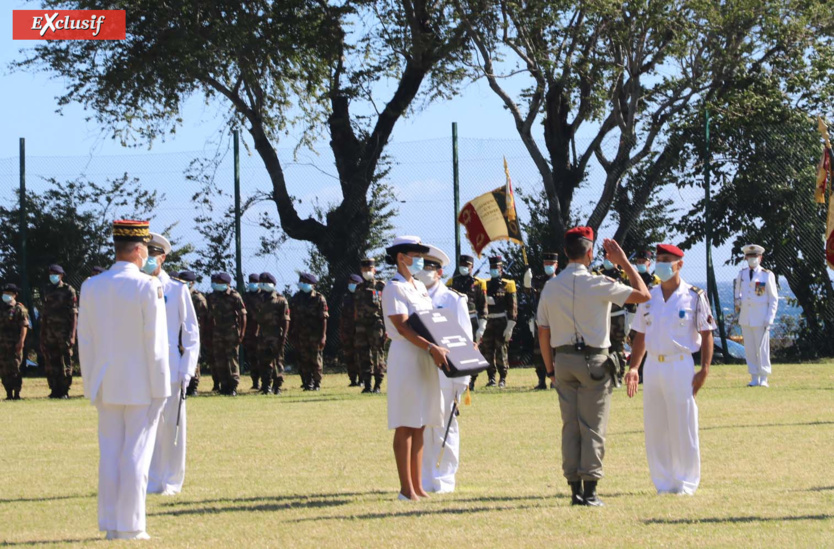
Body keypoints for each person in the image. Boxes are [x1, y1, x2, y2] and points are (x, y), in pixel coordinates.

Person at [536, 228, 650, 506]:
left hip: (562, 361)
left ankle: (574, 488)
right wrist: (622, 261)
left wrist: (550, 370)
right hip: (595, 360)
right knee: (593, 426)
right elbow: (643, 295)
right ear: (590, 253)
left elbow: (543, 331)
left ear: (565, 253)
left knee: (570, 426)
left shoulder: (551, 286)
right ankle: (590, 490)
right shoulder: (600, 283)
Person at [77, 220, 170, 541]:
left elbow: (84, 341)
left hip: (106, 382)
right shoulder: (148, 286)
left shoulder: (91, 285)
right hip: (142, 382)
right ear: (141, 250)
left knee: (111, 453)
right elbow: (155, 344)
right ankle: (132, 526)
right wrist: (162, 387)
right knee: (136, 453)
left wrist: (91, 383)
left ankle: (112, 523)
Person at [626, 244, 717, 495]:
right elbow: (640, 335)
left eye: (667, 260)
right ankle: (664, 483)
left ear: (680, 264)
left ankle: (686, 482)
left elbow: (707, 333)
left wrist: (704, 369)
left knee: (683, 424)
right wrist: (635, 367)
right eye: (659, 259)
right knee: (656, 426)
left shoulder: (694, 295)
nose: (661, 264)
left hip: (680, 364)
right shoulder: (649, 296)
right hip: (653, 365)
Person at [381, 236, 447, 501]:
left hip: (426, 355)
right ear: (401, 257)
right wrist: (431, 348)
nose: (419, 259)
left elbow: (430, 321)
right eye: (414, 254)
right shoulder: (394, 287)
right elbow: (403, 326)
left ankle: (417, 486)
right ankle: (405, 489)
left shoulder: (419, 286)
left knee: (421, 423)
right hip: (407, 355)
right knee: (406, 422)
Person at [144, 233, 200, 496]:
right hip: (142, 367)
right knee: (147, 425)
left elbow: (191, 332)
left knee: (173, 426)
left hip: (171, 367)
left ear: (163, 258)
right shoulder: (137, 286)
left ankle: (172, 481)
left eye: (152, 256)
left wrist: (187, 369)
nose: (147, 260)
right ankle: (151, 479)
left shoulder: (176, 289)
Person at [416, 244, 472, 494]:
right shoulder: (413, 296)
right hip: (418, 370)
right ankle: (424, 477)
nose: (424, 271)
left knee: (444, 427)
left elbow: (465, 341)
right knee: (421, 426)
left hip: (445, 374)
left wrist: (462, 380)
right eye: (421, 266)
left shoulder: (452, 300)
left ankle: (445, 479)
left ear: (439, 272)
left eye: (430, 267)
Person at [734, 244, 778, 387]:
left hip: (761, 317)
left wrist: (770, 317)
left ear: (760, 258)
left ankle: (764, 377)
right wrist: (738, 302)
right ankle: (754, 377)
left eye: (755, 257)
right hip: (746, 316)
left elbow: (773, 298)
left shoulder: (767, 274)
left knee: (762, 349)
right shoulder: (742, 274)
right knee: (750, 348)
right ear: (746, 257)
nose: (752, 259)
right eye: (750, 257)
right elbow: (737, 293)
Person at [472, 255, 517, 389]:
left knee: (501, 350)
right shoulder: (485, 283)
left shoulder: (507, 284)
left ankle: (502, 378)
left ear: (501, 269)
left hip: (501, 321)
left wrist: (510, 325)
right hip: (488, 321)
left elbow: (513, 307)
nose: (494, 270)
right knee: (487, 350)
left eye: (496, 268)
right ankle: (491, 377)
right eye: (491, 268)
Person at [40, 263, 78, 399]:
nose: (52, 276)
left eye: (55, 274)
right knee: (52, 361)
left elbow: (74, 313)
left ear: (61, 275)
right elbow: (44, 313)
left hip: (64, 332)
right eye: (50, 274)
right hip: (50, 332)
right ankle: (54, 389)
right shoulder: (47, 290)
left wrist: (73, 334)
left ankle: (64, 390)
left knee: (65, 361)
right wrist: (43, 333)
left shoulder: (68, 290)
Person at [593, 250, 630, 386]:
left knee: (618, 348)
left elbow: (629, 295)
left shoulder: (623, 274)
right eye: (606, 256)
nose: (608, 259)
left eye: (611, 256)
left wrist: (630, 318)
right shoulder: (596, 273)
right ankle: (605, 377)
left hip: (618, 317)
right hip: (602, 316)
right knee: (603, 348)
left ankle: (619, 377)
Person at [208, 272, 247, 396]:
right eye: (217, 283)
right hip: (217, 332)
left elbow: (243, 315)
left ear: (227, 284)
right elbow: (209, 316)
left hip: (231, 331)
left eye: (220, 283)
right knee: (220, 359)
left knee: (232, 359)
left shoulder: (234, 296)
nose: (218, 285)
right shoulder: (213, 296)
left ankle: (233, 386)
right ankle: (223, 385)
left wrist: (241, 333)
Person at [523, 252, 558, 390]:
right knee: (539, 351)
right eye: (546, 264)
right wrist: (527, 280)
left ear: (556, 265)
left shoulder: (559, 281)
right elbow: (527, 292)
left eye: (551, 264)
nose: (548, 266)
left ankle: (555, 379)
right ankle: (541, 380)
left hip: (556, 320)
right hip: (541, 321)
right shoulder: (537, 281)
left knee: (556, 350)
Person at [290, 273, 328, 391]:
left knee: (316, 359)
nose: (302, 284)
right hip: (301, 334)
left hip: (315, 335)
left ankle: (317, 382)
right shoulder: (296, 298)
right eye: (301, 281)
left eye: (304, 282)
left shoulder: (318, 298)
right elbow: (292, 317)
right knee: (303, 359)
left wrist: (323, 336)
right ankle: (307, 382)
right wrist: (292, 333)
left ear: (312, 284)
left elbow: (324, 318)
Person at [255, 272, 291, 395]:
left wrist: (284, 336)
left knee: (277, 361)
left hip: (276, 335)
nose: (262, 285)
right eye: (261, 282)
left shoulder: (281, 300)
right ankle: (266, 386)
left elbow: (286, 320)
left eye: (264, 283)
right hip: (263, 335)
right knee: (263, 361)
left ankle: (277, 386)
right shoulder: (259, 299)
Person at [355, 259, 387, 393]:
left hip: (376, 325)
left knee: (377, 354)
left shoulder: (381, 286)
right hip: (362, 326)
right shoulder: (359, 288)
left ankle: (377, 385)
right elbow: (356, 309)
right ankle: (367, 384)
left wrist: (387, 328)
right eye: (364, 270)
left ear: (374, 270)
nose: (367, 272)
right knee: (363, 355)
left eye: (369, 269)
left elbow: (387, 308)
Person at [179, 271, 209, 397]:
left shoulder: (198, 298)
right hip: (179, 331)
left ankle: (193, 386)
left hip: (193, 332)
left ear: (191, 283)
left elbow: (204, 318)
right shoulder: (178, 294)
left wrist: (201, 333)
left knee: (194, 357)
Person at [449, 254, 488, 345]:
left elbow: (483, 306)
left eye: (466, 265)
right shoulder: (452, 282)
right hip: (456, 319)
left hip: (472, 320)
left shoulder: (479, 283)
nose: (463, 267)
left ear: (472, 266)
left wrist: (482, 326)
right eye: (461, 265)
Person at [0, 283, 29, 401]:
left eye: (9, 294)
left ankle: (16, 394)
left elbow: (24, 326)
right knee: (3, 369)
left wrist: (21, 342)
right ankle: (8, 393)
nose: (5, 295)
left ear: (15, 295)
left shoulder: (19, 309)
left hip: (14, 343)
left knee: (15, 367)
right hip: (2, 343)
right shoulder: (1, 308)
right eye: (4, 293)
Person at [340, 274, 362, 387]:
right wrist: (342, 331)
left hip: (360, 331)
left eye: (353, 283)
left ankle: (362, 379)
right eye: (350, 283)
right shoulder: (346, 297)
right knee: (349, 355)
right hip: (348, 330)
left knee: (361, 355)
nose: (351, 285)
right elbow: (343, 316)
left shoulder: (363, 296)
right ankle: (353, 379)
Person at [243, 274, 262, 390]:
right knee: (252, 358)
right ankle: (255, 382)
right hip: (250, 333)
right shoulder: (245, 296)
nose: (252, 283)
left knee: (263, 358)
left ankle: (267, 382)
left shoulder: (264, 296)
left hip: (262, 332)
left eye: (254, 281)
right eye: (250, 281)